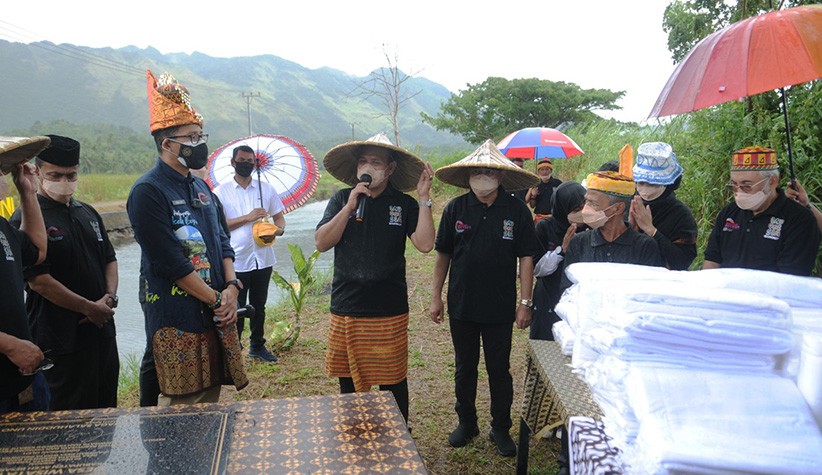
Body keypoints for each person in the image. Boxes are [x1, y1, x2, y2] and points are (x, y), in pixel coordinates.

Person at [127, 69, 247, 406]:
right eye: (191, 137)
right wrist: (216, 299)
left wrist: (232, 288)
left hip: (215, 310)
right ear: (167, 144)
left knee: (209, 401)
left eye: (200, 135)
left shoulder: (201, 187)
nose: (200, 143)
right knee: (180, 407)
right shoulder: (148, 192)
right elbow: (170, 262)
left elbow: (222, 241)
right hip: (177, 317)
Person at [315, 133, 434, 424]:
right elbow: (321, 242)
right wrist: (349, 207)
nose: (369, 166)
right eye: (364, 161)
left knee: (392, 381)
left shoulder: (403, 204)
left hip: (388, 309)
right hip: (347, 307)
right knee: (348, 381)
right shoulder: (343, 198)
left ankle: (398, 440)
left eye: (376, 162)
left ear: (390, 168)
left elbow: (425, 243)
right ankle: (355, 437)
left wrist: (423, 199)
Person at [430, 140, 539, 457]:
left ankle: (500, 428)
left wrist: (525, 302)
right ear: (467, 177)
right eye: (476, 172)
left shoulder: (516, 210)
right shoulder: (455, 209)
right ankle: (467, 422)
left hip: (500, 305)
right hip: (462, 303)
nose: (482, 177)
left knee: (499, 369)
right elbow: (443, 255)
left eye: (488, 172)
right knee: (465, 367)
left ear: (501, 176)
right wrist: (436, 296)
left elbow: (527, 258)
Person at [10, 135, 119, 410]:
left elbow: (109, 259)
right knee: (66, 417)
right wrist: (87, 308)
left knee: (105, 408)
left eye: (71, 175)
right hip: (58, 338)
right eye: (55, 175)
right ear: (38, 172)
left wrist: (109, 297)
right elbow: (39, 282)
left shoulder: (88, 213)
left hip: (101, 333)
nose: (64, 181)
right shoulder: (27, 217)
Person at [214, 145, 286, 363]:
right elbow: (218, 226)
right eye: (242, 160)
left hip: (263, 258)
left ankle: (257, 346)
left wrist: (276, 230)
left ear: (256, 164)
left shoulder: (266, 189)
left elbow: (279, 218)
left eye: (250, 161)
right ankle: (234, 350)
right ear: (233, 162)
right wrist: (247, 217)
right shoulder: (220, 192)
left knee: (259, 305)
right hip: (235, 261)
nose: (246, 164)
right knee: (236, 308)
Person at [703, 146, 820, 276]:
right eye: (734, 185)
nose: (739, 192)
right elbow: (712, 261)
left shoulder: (798, 219)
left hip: (772, 294)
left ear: (772, 181)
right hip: (726, 292)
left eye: (747, 186)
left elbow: (791, 278)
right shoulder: (729, 213)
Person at [0, 136, 49, 413]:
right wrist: (9, 346)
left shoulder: (3, 228)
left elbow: (37, 250)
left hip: (21, 377)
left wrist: (28, 193)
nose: (3, 176)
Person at [561, 168, 664, 292]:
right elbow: (567, 290)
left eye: (593, 204)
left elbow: (651, 293)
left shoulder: (644, 247)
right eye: (586, 201)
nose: (586, 209)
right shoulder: (579, 243)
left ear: (618, 208)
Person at [530, 181, 586, 340]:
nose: (582, 212)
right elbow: (538, 269)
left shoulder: (591, 228)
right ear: (562, 209)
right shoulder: (545, 227)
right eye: (576, 209)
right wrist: (562, 250)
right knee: (544, 343)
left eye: (584, 206)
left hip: (577, 298)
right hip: (549, 294)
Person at [629, 142, 698, 270]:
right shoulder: (630, 204)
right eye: (641, 183)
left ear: (668, 184)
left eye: (653, 184)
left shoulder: (681, 214)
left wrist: (651, 230)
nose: (645, 189)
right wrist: (629, 228)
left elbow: (682, 261)